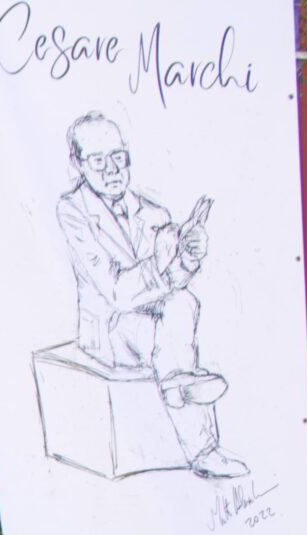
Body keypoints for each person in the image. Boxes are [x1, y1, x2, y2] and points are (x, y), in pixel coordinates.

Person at [55, 111, 247, 480]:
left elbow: (171, 283)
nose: (112, 170)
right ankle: (199, 435)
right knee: (168, 322)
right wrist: (161, 262)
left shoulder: (153, 212)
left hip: (152, 322)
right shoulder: (72, 211)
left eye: (118, 157)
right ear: (78, 165)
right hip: (111, 329)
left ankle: (178, 383)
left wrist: (187, 256)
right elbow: (114, 291)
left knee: (185, 301)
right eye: (98, 161)